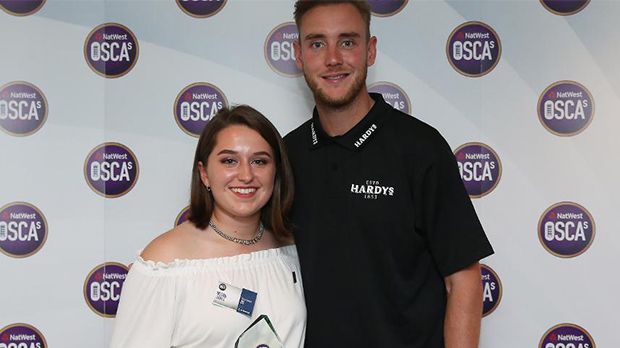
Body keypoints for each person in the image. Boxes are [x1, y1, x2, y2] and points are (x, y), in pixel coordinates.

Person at [284, 1, 494, 347]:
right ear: (299, 54)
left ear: (371, 50)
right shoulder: (286, 156)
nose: (333, 58)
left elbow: (463, 279)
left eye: (348, 42)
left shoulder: (420, 148)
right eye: (317, 43)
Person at [110, 105, 306, 348]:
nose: (246, 175)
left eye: (259, 161)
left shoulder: (291, 250)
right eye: (229, 161)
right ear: (204, 174)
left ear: (275, 172)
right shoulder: (164, 262)